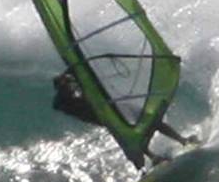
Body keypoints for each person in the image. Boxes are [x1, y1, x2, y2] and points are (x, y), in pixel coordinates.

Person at [51, 70, 192, 163]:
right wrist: (71, 80)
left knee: (154, 122)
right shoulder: (63, 102)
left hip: (112, 109)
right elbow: (60, 103)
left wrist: (73, 75)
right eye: (66, 85)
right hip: (105, 117)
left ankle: (182, 140)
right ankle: (152, 157)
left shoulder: (73, 95)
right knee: (130, 136)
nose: (70, 86)